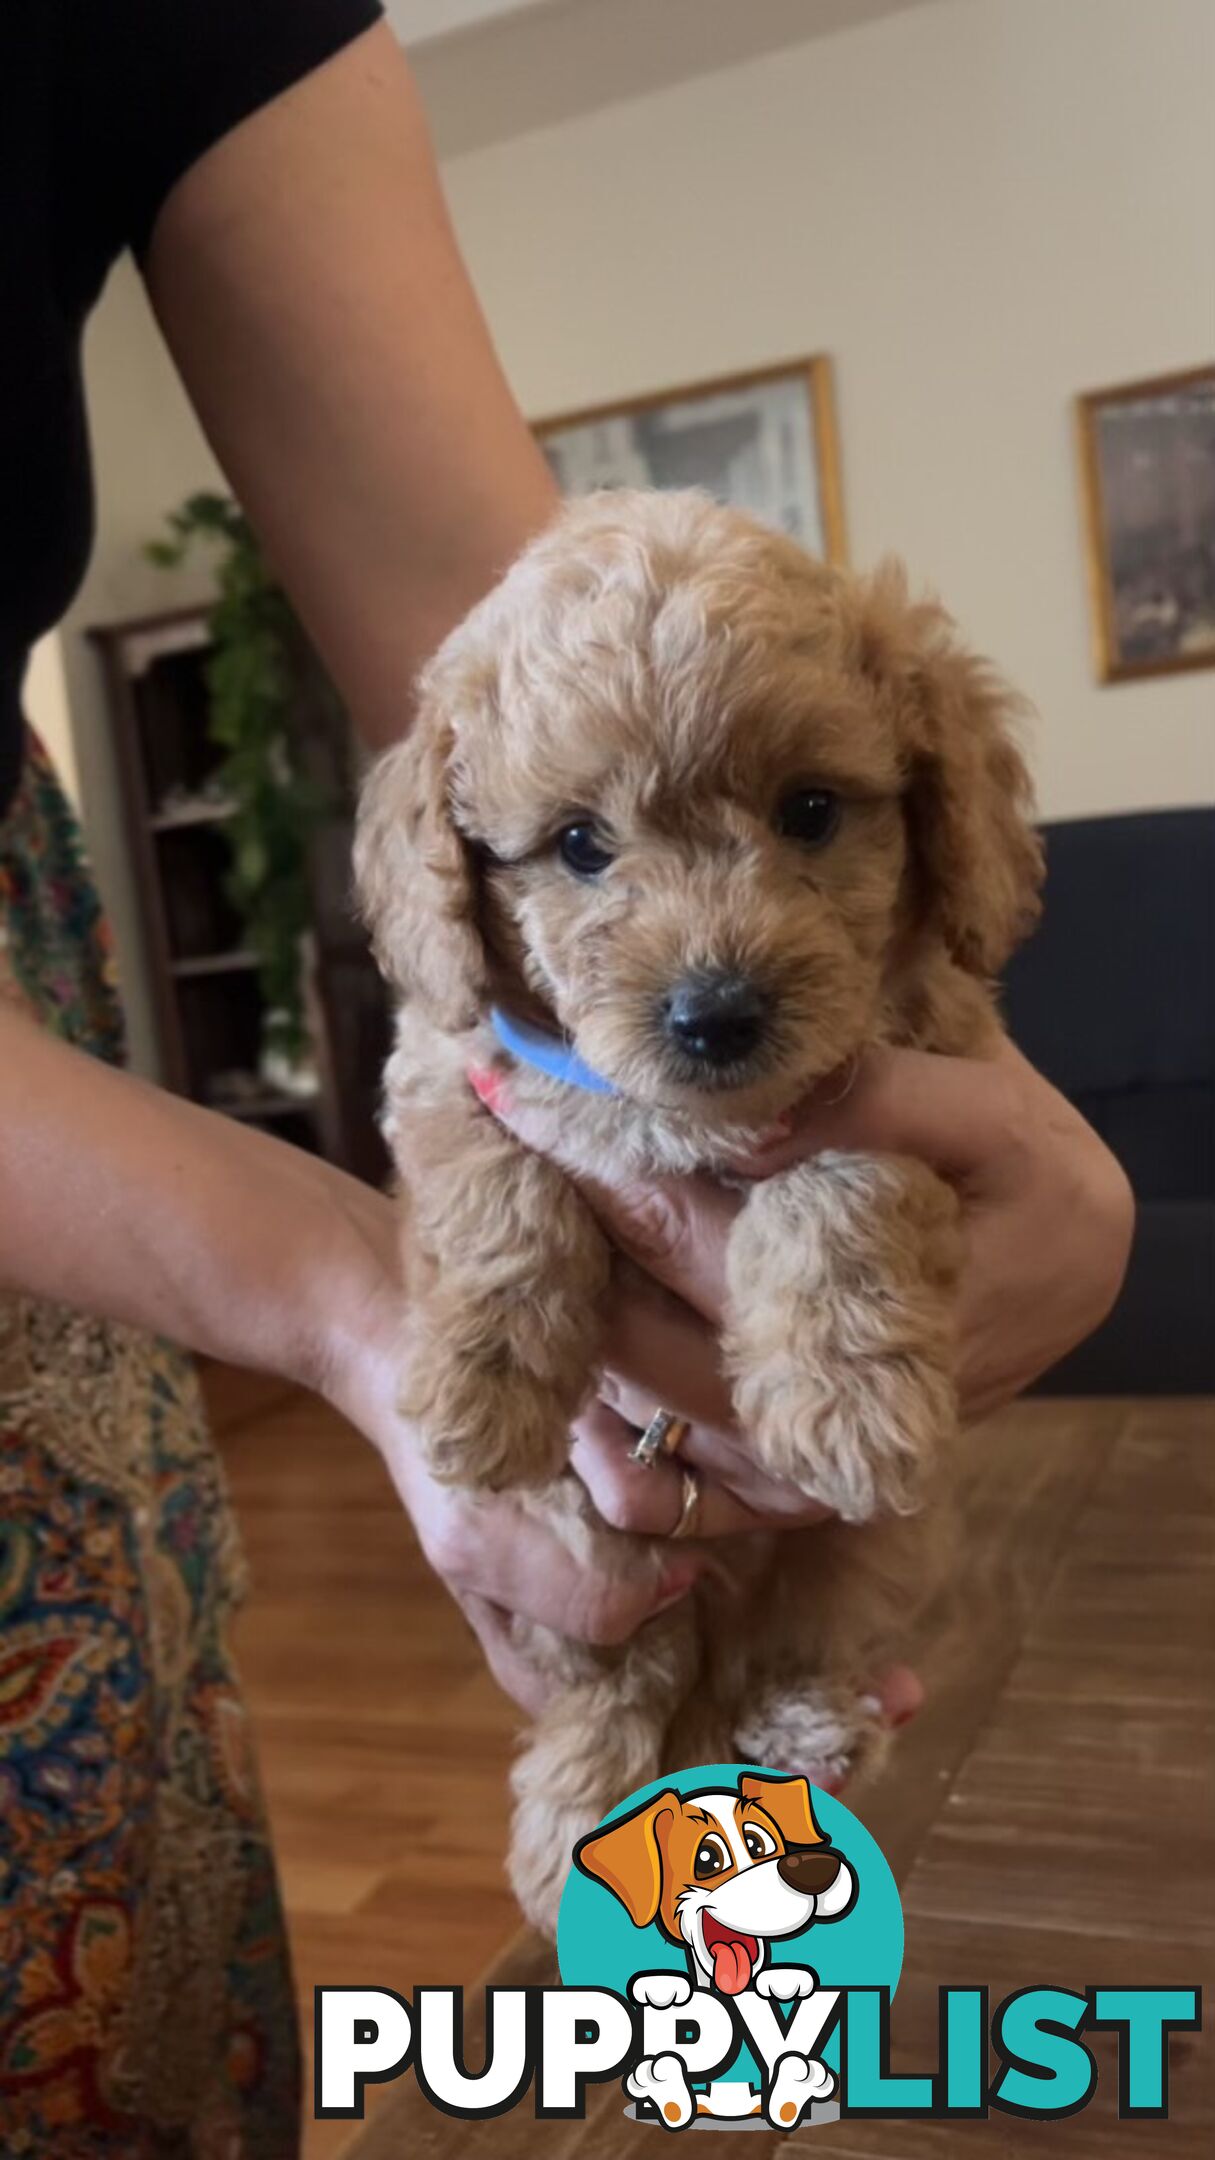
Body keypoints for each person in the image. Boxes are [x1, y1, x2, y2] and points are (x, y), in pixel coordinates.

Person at [0, 5, 1133, 2150]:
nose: (704, 956)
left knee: (121, 1967)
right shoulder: (465, 890)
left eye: (808, 813)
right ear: (460, 869)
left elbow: (476, 610)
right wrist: (383, 1300)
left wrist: (924, 1176)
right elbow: (469, 1024)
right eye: (587, 853)